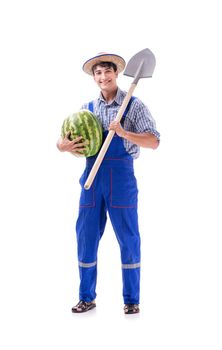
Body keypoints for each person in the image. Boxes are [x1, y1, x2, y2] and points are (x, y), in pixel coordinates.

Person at [57, 52, 160, 314]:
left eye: (108, 71)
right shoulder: (86, 110)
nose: (103, 77)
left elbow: (154, 141)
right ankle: (86, 297)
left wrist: (124, 132)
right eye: (98, 73)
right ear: (94, 77)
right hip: (92, 179)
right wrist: (63, 146)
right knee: (85, 236)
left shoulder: (133, 106)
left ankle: (131, 300)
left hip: (121, 178)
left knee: (128, 238)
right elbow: (65, 142)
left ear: (116, 73)